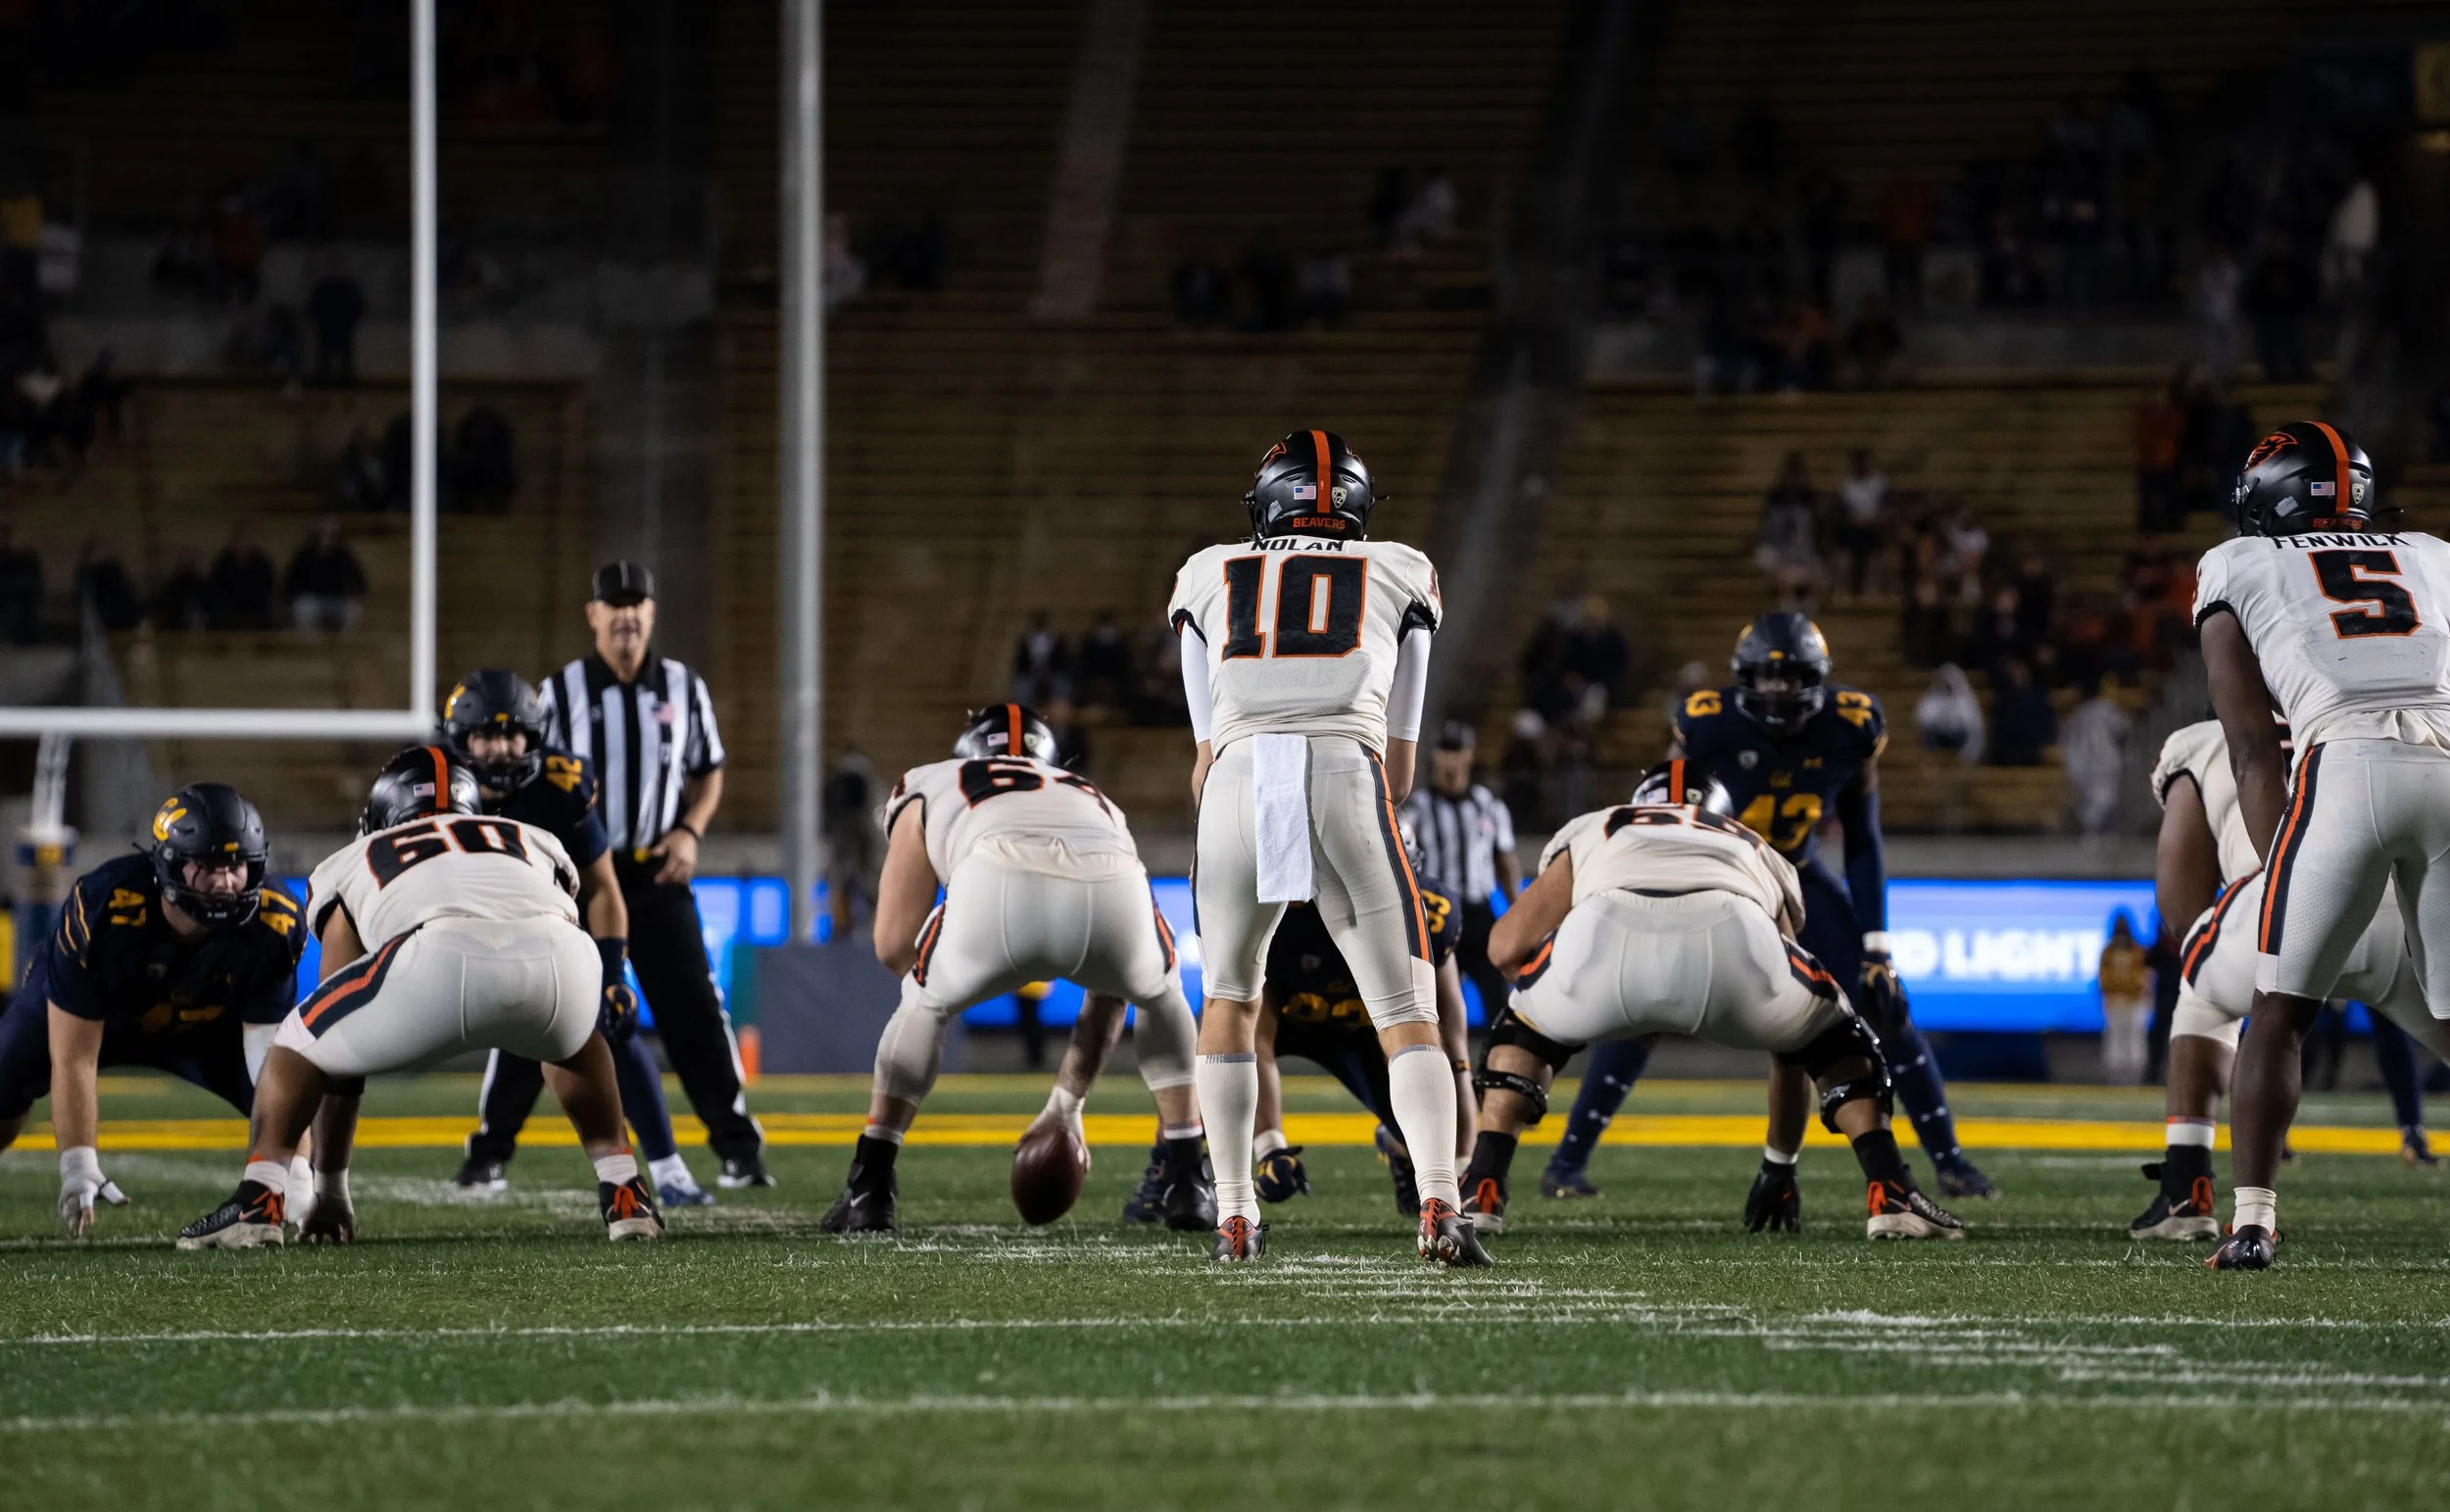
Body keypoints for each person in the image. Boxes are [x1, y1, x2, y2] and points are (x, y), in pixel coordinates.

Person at [1541, 614, 1998, 1202]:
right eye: (1767, 679)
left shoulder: (1850, 725)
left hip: (1799, 879)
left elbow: (1863, 837)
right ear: (1742, 678)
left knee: (1885, 1002)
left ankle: (1950, 1161)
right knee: (1645, 1004)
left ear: (1818, 678)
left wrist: (1877, 945)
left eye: (1793, 679)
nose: (1779, 692)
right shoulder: (1707, 722)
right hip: (1715, 879)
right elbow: (1654, 806)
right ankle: (1566, 1162)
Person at [1166, 430, 1484, 1265]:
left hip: (1237, 778)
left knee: (1231, 1003)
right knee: (1406, 1015)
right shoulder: (1403, 568)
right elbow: (1404, 766)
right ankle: (1440, 1206)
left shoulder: (1206, 572)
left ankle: (1236, 1212)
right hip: (1349, 770)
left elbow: (1204, 760)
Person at [175, 748, 662, 1248]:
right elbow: (559, 914)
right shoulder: (530, 836)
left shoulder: (351, 859)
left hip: (437, 958)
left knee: (298, 1041)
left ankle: (260, 1198)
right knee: (575, 1038)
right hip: (566, 958)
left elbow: (336, 1039)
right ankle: (626, 1189)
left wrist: (329, 1192)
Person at [1460, 762, 1964, 1241]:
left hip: (1601, 934)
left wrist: (1544, 1005)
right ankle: (1891, 1193)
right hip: (1734, 934)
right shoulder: (1751, 843)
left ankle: (1482, 1186)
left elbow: (1504, 947)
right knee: (1834, 1038)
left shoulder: (1602, 823)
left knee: (1519, 1029)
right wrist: (1779, 1162)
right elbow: (1788, 1038)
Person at [2195, 422, 2450, 1267]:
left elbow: (2250, 746)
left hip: (2346, 765)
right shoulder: (2429, 551)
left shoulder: (2238, 564)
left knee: (2279, 1009)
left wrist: (2283, 876)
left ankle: (2254, 1222)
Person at [818, 705, 1210, 1235]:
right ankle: (1187, 1178)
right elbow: (1111, 991)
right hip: (1114, 887)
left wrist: (949, 984)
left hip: (994, 881)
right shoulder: (1090, 794)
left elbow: (891, 944)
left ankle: (870, 1185)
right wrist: (1065, 1105)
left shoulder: (930, 779)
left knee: (923, 1002)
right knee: (1159, 992)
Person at [2136, 715, 2448, 1243]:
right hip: (2408, 912)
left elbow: (2178, 900)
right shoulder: (2394, 714)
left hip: (2281, 908)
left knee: (2198, 982)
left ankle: (2187, 1189)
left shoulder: (2202, 741)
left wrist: (2197, 948)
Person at [538, 561, 773, 1189]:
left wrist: (690, 831)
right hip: (584, 880)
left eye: (636, 602)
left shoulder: (681, 686)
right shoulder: (558, 693)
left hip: (657, 873)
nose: (625, 614)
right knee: (543, 1004)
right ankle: (488, 1152)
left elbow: (710, 767)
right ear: (592, 615)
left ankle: (737, 1148)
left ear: (651, 612)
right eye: (613, 603)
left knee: (695, 1009)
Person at [446, 671, 713, 1209]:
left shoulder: (559, 786)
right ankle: (326, 1180)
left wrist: (614, 973)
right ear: (459, 739)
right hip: (459, 934)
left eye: (513, 734)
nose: (500, 749)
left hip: (551, 928)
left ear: (534, 737)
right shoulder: (429, 788)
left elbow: (603, 887)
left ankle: (667, 1167)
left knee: (607, 1022)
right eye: (486, 735)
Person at [0, 785, 304, 1236]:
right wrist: (78, 1162)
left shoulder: (274, 921)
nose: (224, 882)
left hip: (208, 1028)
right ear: (170, 863)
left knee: (305, 1079)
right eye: (207, 866)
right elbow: (74, 1056)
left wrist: (295, 1177)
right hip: (103, 1017)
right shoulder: (106, 907)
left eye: (236, 866)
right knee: (6, 1070)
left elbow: (274, 1061)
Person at [1208, 840, 1473, 1222]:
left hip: (1365, 1033)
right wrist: (1270, 1145)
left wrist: (1462, 1162)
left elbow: (1450, 1038)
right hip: (1287, 1020)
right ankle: (1186, 1161)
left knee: (1426, 1124)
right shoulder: (1290, 912)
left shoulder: (1430, 912)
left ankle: (1399, 1149)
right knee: (1218, 1053)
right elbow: (1255, 1036)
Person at [1399, 722, 1520, 1023]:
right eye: (1445, 751)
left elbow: (1504, 861)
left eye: (1457, 751)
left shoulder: (1489, 806)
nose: (1451, 759)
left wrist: (1517, 908)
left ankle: (1495, 1067)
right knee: (1434, 1009)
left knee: (1501, 1004)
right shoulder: (1418, 808)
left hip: (1479, 914)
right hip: (1436, 914)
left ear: (1469, 755)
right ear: (1435, 755)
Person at [823, 746, 883, 939]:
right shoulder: (838, 809)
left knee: (875, 893)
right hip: (844, 846)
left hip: (871, 849)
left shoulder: (877, 798)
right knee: (841, 889)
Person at [2063, 680, 2130, 835]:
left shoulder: (2076, 714)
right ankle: (2098, 832)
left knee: (2094, 800)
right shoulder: (2105, 708)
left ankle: (2096, 832)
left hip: (2083, 763)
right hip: (2104, 762)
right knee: (2104, 800)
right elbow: (2124, 726)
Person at [285, 514, 368, 633]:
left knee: (353, 611)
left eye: (331, 527)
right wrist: (293, 597)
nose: (328, 530)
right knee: (302, 608)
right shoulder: (304, 554)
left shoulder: (344, 555)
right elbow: (291, 579)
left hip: (337, 599)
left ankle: (344, 647)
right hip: (312, 599)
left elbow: (359, 579)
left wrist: (358, 595)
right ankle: (310, 647)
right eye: (324, 526)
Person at [2098, 913, 2153, 1084]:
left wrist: (2137, 994)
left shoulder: (2138, 952)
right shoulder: (2108, 952)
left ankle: (2135, 1074)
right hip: (2115, 1002)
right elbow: (2103, 978)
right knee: (2115, 1037)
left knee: (2135, 1037)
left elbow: (2146, 977)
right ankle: (2116, 1074)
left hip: (2135, 1002)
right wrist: (2113, 993)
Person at [1834, 451, 1889, 599]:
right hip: (1851, 529)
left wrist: (1875, 520)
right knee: (1844, 546)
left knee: (1877, 545)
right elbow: (1841, 510)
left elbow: (1886, 507)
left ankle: (1872, 588)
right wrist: (1853, 520)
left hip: (1874, 528)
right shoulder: (1846, 484)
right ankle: (1844, 588)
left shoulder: (1879, 482)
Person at [210, 520, 277, 628]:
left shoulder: (261, 562)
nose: (242, 543)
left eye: (245, 539)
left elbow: (268, 584)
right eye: (239, 538)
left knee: (267, 609)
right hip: (230, 602)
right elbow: (216, 584)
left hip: (255, 602)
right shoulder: (223, 561)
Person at [307, 266, 365, 387]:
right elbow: (314, 307)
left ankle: (344, 380)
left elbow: (358, 308)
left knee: (342, 357)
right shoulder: (324, 289)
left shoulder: (347, 289)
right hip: (328, 327)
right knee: (325, 357)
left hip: (341, 327)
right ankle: (324, 380)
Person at [1915, 663, 1984, 760]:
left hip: (1958, 736)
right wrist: (1941, 720)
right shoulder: (1932, 698)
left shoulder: (1965, 699)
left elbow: (1973, 724)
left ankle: (1964, 762)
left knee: (1972, 735)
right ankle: (1931, 761)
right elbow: (1922, 719)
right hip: (1939, 735)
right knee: (1927, 734)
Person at [1010, 609, 1069, 707]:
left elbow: (1062, 660)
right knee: (1022, 687)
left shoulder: (1056, 638)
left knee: (1061, 684)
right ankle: (1024, 714)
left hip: (1051, 673)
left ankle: (1058, 714)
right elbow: (1020, 661)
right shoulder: (1025, 639)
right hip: (1030, 673)